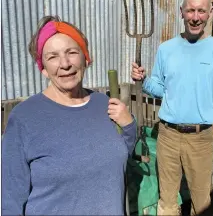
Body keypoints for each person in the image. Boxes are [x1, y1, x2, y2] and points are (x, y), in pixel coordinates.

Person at [2, 15, 137, 215]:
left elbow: (120, 156)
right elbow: (11, 197)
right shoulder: (24, 118)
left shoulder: (104, 104)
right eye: (52, 57)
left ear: (85, 57)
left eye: (71, 52)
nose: (65, 64)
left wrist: (129, 127)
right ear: (44, 69)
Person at [131, 0, 213, 215]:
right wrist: (144, 79)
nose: (195, 17)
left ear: (210, 12)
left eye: (200, 11)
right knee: (167, 199)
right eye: (190, 10)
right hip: (167, 136)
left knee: (201, 200)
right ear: (182, 12)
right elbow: (159, 89)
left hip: (201, 138)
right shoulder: (166, 49)